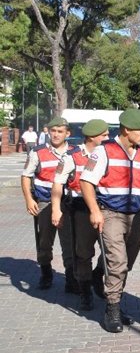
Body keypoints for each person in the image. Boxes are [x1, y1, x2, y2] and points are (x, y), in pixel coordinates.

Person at [80, 108, 140, 333]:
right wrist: (94, 210)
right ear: (126, 130)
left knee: (127, 263)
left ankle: (99, 275)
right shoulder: (104, 151)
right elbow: (86, 182)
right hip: (111, 213)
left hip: (135, 216)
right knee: (118, 263)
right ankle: (112, 309)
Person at [50, 119, 110, 311]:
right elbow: (58, 183)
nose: (109, 138)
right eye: (105, 135)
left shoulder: (108, 153)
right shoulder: (71, 157)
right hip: (79, 207)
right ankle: (85, 292)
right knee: (82, 252)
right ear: (93, 137)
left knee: (112, 249)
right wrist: (56, 209)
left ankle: (98, 274)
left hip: (104, 205)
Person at [21, 117, 76, 291]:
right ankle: (46, 273)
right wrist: (29, 199)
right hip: (44, 202)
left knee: (69, 243)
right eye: (53, 131)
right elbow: (26, 176)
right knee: (44, 242)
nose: (56, 134)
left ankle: (71, 278)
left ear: (68, 133)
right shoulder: (37, 152)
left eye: (60, 131)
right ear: (48, 131)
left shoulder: (75, 152)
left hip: (67, 204)